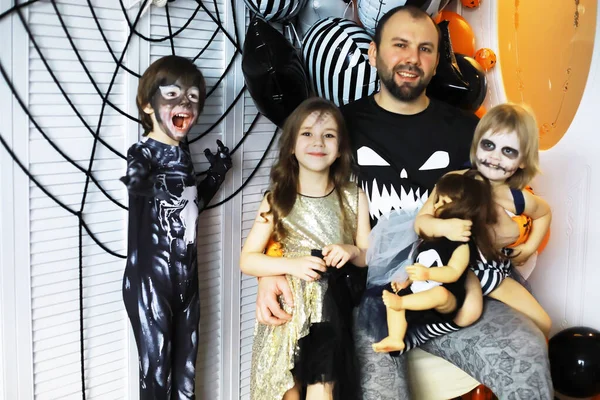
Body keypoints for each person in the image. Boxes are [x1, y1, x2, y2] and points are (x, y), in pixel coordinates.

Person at [255, 5, 553, 399]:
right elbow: (291, 201)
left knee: (526, 351)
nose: (412, 58)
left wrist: (513, 231)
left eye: (425, 49)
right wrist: (269, 271)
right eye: (400, 45)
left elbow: (510, 202)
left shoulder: (469, 132)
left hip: (454, 286)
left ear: (434, 64)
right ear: (373, 53)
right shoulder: (335, 130)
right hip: (370, 300)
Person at [240, 97, 370, 400]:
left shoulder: (353, 196)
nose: (318, 142)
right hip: (287, 313)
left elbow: (367, 256)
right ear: (291, 146)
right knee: (286, 392)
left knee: (322, 392)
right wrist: (291, 264)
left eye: (329, 135)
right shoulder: (277, 200)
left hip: (330, 315)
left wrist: (351, 250)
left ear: (340, 149)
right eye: (307, 133)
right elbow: (248, 260)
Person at [120, 55, 232, 399]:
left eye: (194, 97)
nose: (186, 102)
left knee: (186, 372)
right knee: (157, 377)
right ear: (147, 105)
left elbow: (191, 207)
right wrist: (148, 184)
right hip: (150, 281)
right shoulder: (142, 152)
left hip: (187, 279)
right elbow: (137, 183)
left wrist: (215, 174)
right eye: (173, 94)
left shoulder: (183, 155)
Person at [416, 103, 553, 337]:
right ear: (476, 144)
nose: (494, 156)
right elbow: (421, 222)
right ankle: (423, 333)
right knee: (470, 308)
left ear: (522, 161)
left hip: (491, 269)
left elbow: (544, 213)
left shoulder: (518, 198)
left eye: (508, 151)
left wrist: (529, 248)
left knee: (544, 323)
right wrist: (444, 226)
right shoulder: (454, 180)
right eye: (488, 145)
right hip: (453, 263)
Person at [367, 171, 498, 353]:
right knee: (393, 294)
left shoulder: (462, 243)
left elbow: (453, 272)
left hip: (445, 302)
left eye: (442, 203)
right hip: (420, 294)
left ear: (464, 207)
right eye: (436, 201)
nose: (435, 206)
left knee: (439, 293)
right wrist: (408, 281)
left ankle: (402, 305)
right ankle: (396, 338)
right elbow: (421, 263)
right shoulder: (431, 238)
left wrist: (428, 274)